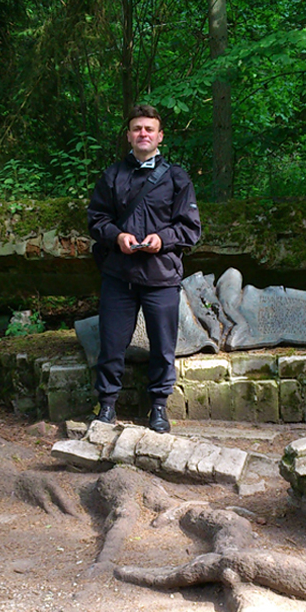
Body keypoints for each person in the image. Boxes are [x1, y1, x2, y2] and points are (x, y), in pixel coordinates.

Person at [87, 104, 201, 433]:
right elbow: (96, 220)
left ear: (160, 136)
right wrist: (117, 235)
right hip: (118, 275)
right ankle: (107, 405)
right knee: (111, 343)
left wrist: (161, 239)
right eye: (137, 129)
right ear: (128, 136)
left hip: (161, 275)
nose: (143, 134)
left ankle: (159, 409)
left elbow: (190, 228)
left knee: (163, 347)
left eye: (149, 129)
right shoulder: (112, 175)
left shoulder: (177, 178)